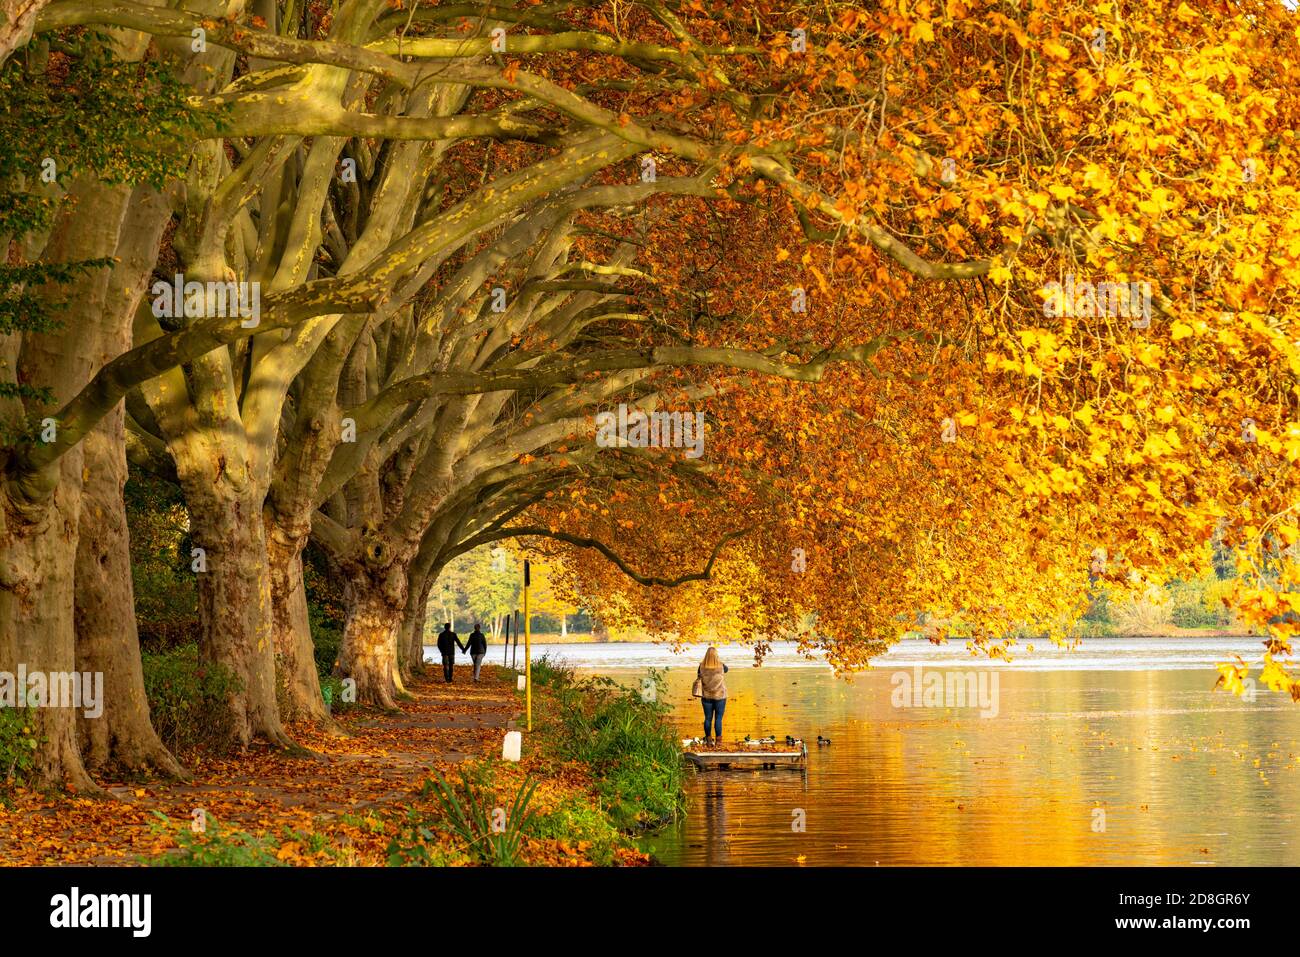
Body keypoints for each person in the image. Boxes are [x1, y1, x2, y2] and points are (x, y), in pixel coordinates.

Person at [697, 646, 729, 744]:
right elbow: (727, 670)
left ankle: (709, 740)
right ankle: (719, 741)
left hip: (706, 696)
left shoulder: (701, 666)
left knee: (707, 718)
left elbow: (698, 676)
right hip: (720, 696)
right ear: (716, 655)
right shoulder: (721, 666)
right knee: (718, 719)